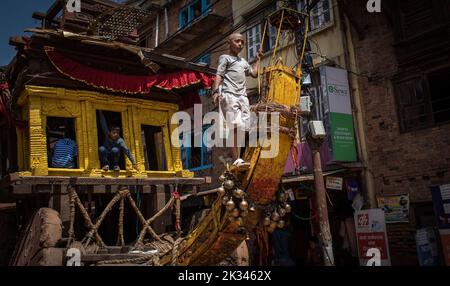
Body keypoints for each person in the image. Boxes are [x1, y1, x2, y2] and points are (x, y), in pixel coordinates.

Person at [212, 33, 263, 170]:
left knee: (244, 127)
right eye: (237, 41)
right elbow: (219, 75)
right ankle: (235, 159)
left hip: (242, 96)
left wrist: (257, 59)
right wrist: (215, 91)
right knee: (236, 126)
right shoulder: (225, 58)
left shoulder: (243, 62)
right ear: (229, 43)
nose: (240, 44)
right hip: (229, 95)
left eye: (242, 42)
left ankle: (233, 155)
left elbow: (253, 73)